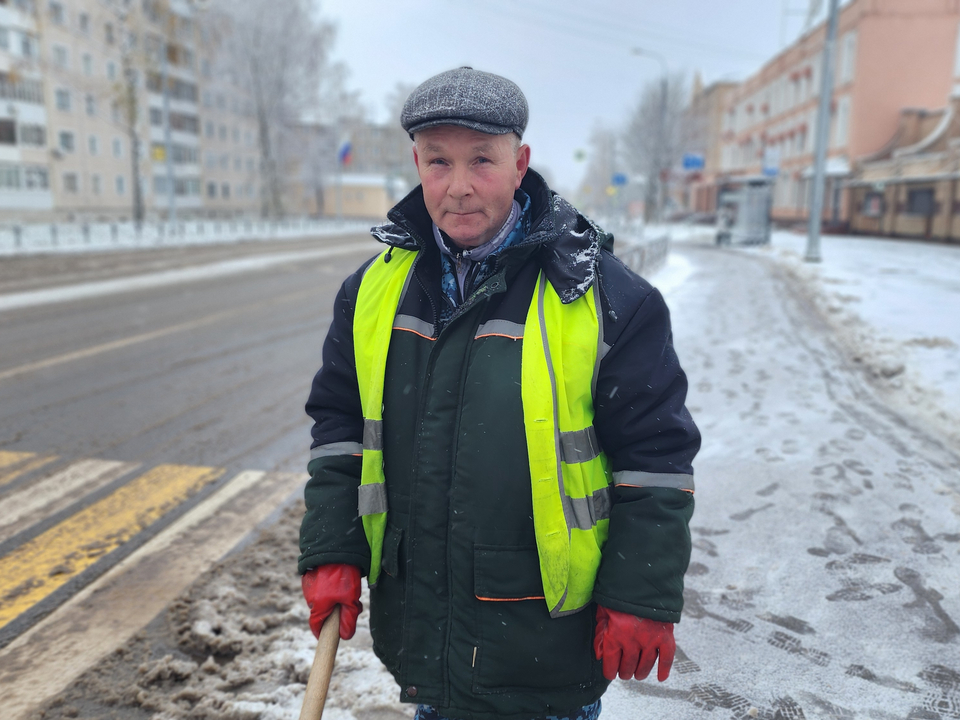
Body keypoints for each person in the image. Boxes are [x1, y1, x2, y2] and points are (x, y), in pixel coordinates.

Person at [299, 67, 700, 720]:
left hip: (546, 642)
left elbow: (655, 457)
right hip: (427, 631)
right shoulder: (373, 291)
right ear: (417, 164)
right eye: (439, 162)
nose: (458, 186)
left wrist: (641, 595)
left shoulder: (606, 299)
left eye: (482, 160)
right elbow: (342, 430)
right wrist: (331, 549)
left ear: (520, 163)